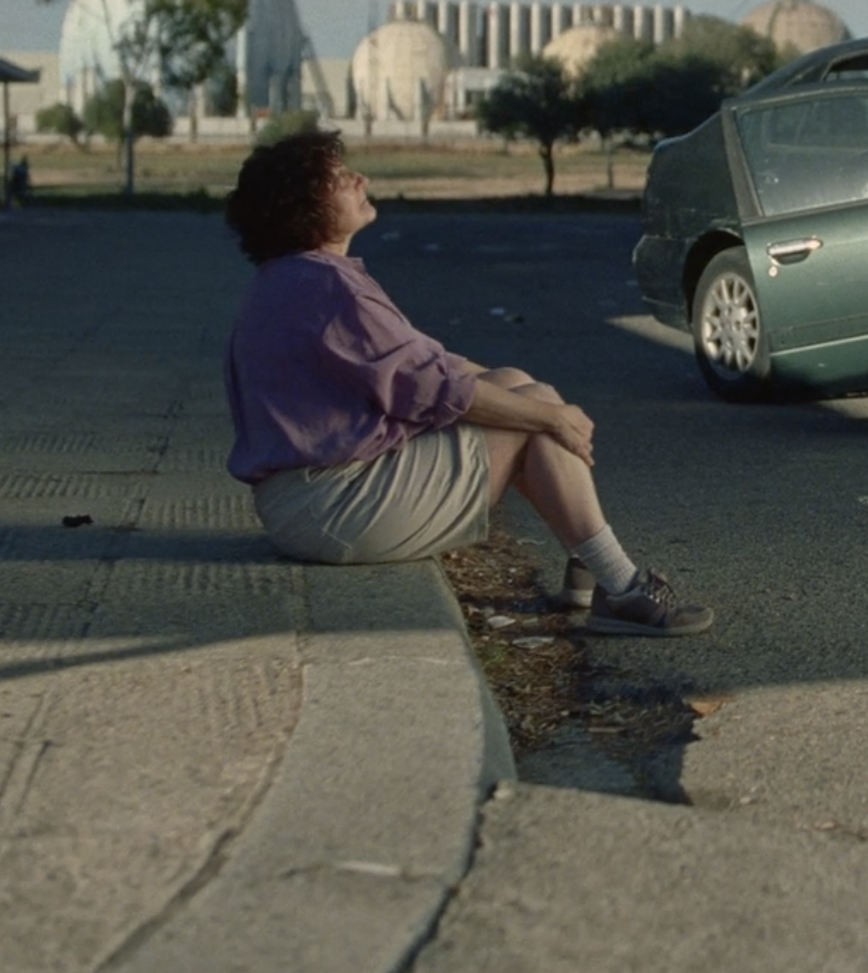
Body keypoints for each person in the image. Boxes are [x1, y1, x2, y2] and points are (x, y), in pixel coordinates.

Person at [221, 128, 710, 637]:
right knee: (535, 415)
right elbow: (431, 387)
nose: (359, 179)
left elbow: (428, 362)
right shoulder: (328, 287)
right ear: (304, 207)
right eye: (340, 178)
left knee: (517, 385)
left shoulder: (294, 279)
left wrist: (533, 400)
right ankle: (620, 586)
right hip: (334, 508)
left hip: (304, 505)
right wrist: (552, 416)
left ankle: (586, 561)